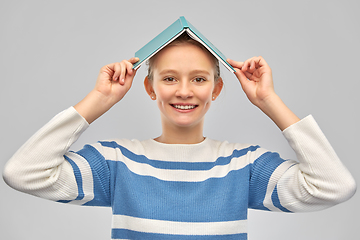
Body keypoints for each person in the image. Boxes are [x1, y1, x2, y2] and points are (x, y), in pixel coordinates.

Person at [3, 34, 356, 240]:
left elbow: (334, 186)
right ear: (149, 87)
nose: (184, 91)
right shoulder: (117, 162)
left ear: (217, 89)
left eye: (199, 79)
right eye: (169, 78)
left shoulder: (243, 165)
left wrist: (267, 100)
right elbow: (23, 173)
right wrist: (99, 101)